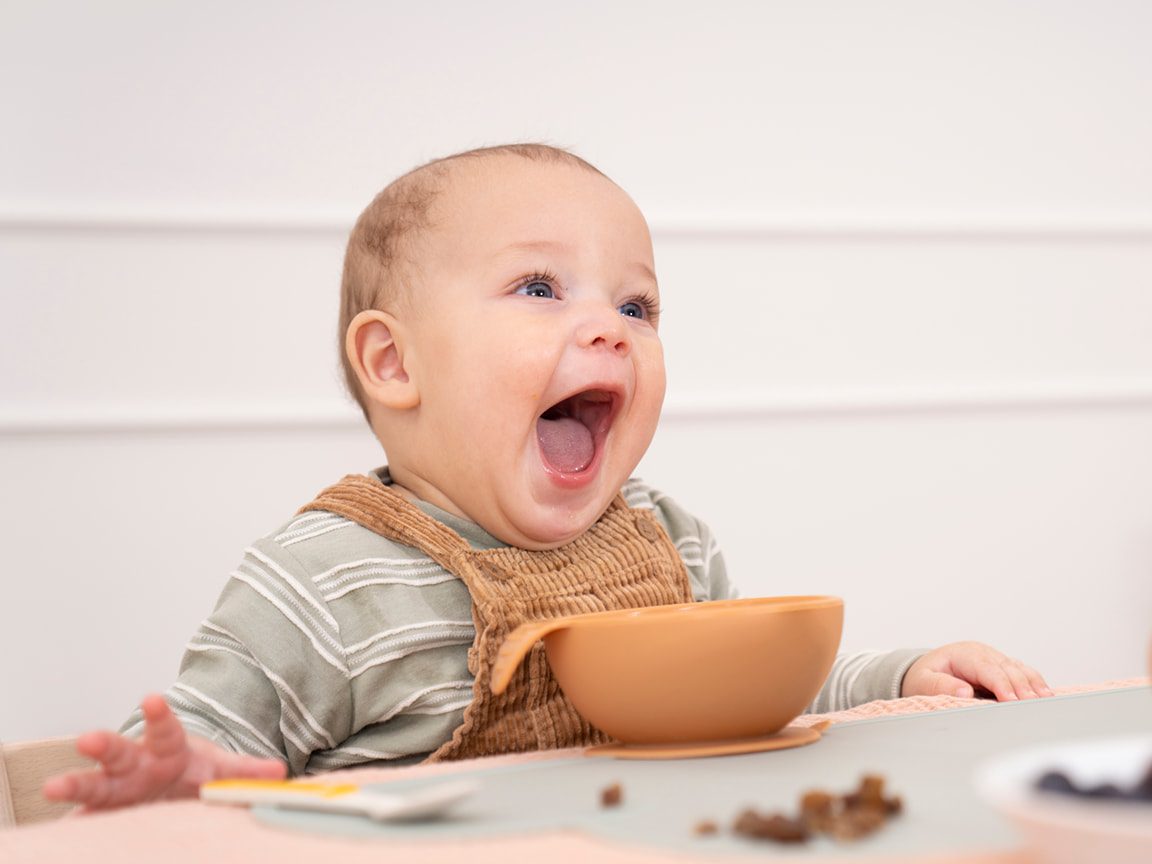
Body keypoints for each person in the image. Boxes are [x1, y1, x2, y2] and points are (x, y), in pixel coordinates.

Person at [44, 143, 1051, 810]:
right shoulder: (321, 583)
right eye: (538, 287)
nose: (610, 326)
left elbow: (762, 699)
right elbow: (192, 748)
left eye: (639, 306)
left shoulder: (667, 539)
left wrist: (904, 676)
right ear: (395, 365)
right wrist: (189, 777)